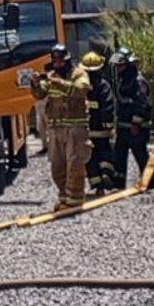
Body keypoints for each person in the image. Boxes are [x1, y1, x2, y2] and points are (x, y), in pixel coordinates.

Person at [29, 44, 91, 210]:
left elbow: (81, 90)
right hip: (56, 128)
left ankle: (75, 199)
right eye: (54, 61)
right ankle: (64, 197)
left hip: (75, 127)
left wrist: (59, 83)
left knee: (75, 164)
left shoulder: (79, 74)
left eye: (60, 61)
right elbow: (40, 93)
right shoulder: (52, 75)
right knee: (57, 167)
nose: (57, 64)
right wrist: (35, 84)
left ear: (68, 60)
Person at [111, 48, 154, 190]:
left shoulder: (138, 81)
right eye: (117, 66)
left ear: (129, 64)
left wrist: (136, 123)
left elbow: (144, 104)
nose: (119, 68)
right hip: (123, 126)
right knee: (119, 156)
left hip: (136, 127)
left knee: (140, 155)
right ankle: (118, 184)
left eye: (121, 65)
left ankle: (150, 182)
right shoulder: (123, 79)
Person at [81, 51, 116, 196]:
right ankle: (106, 173)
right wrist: (108, 123)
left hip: (86, 129)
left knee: (90, 158)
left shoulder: (81, 85)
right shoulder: (104, 85)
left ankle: (97, 185)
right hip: (101, 129)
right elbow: (109, 105)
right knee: (105, 153)